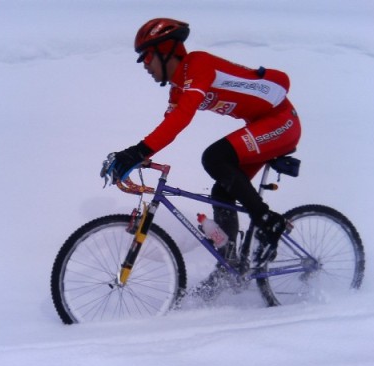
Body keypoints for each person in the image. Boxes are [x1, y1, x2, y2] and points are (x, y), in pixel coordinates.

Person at [104, 18, 301, 297]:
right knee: (222, 190)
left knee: (214, 157)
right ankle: (231, 265)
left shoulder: (197, 66)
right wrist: (139, 157)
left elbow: (182, 119)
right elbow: (169, 125)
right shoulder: (178, 88)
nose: (145, 65)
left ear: (166, 50)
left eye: (147, 57)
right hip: (261, 125)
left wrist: (138, 150)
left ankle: (268, 221)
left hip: (281, 122)